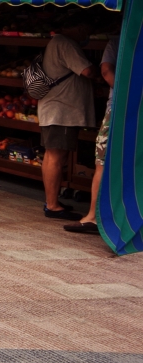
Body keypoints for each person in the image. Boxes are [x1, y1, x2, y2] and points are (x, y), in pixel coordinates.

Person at [38, 32, 96, 220]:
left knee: (50, 155)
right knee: (56, 156)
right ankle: (53, 205)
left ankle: (51, 201)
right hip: (62, 111)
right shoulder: (66, 43)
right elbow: (86, 70)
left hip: (53, 108)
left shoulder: (55, 42)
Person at [66, 36, 117, 233]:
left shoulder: (119, 40)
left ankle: (93, 217)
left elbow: (105, 71)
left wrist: (125, 94)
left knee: (102, 163)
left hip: (118, 109)